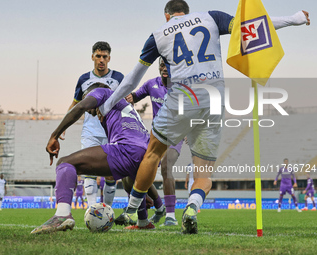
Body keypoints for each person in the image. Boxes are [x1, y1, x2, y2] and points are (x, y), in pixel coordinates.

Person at [98, 0, 310, 233]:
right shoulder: (211, 17)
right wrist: (294, 18)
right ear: (187, 12)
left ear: (167, 16)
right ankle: (192, 207)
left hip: (182, 97)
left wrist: (107, 105)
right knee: (204, 171)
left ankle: (131, 211)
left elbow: (132, 79)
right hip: (214, 100)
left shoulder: (158, 35)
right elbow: (255, 27)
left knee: (153, 153)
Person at [31, 82, 150, 234]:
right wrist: (143, 192)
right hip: (145, 153)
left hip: (126, 149)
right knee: (128, 180)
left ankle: (61, 215)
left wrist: (54, 135)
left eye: (88, 100)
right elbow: (140, 158)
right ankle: (143, 220)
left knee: (65, 163)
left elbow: (80, 107)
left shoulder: (103, 92)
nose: (90, 111)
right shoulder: (128, 109)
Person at [62, 41, 124, 209]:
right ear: (92, 57)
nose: (101, 60)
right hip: (90, 131)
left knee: (111, 173)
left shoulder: (118, 78)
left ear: (109, 58)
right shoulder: (84, 79)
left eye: (104, 56)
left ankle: (107, 210)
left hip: (112, 131)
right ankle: (91, 209)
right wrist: (64, 126)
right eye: (98, 56)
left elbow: (127, 104)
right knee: (89, 170)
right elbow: (75, 104)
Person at [126, 58, 182, 226]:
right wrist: (125, 97)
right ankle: (159, 207)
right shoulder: (152, 84)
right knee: (139, 168)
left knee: (166, 167)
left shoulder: (183, 88)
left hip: (175, 136)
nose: (164, 68)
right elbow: (133, 97)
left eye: (168, 65)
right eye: (162, 65)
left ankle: (171, 216)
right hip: (156, 136)